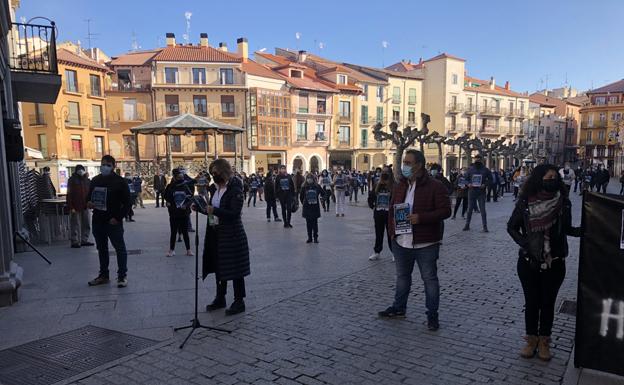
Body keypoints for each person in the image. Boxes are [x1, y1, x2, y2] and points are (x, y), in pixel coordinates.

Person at [507, 164, 581, 361]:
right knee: (532, 303)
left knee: (548, 303)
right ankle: (531, 340)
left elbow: (566, 228)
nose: (552, 180)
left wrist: (587, 228)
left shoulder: (564, 202)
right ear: (539, 179)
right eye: (548, 177)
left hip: (555, 261)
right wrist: (526, 244)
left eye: (554, 177)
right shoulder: (525, 201)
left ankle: (544, 341)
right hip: (528, 261)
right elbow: (512, 227)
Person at [378, 149, 451, 331]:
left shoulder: (435, 186)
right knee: (402, 277)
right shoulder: (400, 185)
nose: (405, 166)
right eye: (404, 162)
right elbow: (392, 209)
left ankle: (432, 315)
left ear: (419, 165)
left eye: (408, 163)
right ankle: (399, 307)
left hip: (425, 242)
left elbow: (445, 211)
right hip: (402, 241)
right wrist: (392, 234)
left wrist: (422, 218)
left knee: (429, 280)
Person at [200, 159, 250, 316]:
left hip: (233, 234)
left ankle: (239, 301)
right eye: (212, 173)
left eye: (215, 172)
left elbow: (234, 214)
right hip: (217, 233)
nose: (213, 175)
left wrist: (213, 210)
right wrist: (201, 208)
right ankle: (220, 297)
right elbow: (212, 210)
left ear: (223, 171)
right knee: (219, 266)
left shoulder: (235, 188)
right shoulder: (215, 189)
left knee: (236, 269)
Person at [87, 155, 131, 288]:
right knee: (102, 249)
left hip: (113, 222)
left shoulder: (120, 182)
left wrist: (117, 218)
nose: (104, 167)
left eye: (107, 164)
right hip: (98, 220)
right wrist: (88, 202)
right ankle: (104, 275)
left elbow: (127, 203)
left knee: (120, 249)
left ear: (113, 166)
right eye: (102, 164)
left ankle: (122, 276)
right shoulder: (95, 180)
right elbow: (88, 197)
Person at [164, 168, 193, 257]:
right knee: (173, 232)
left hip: (184, 213)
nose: (181, 178)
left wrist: (186, 205)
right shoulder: (170, 186)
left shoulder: (185, 186)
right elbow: (166, 196)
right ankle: (171, 250)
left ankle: (188, 250)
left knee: (185, 232)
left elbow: (190, 198)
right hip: (173, 213)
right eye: (179, 177)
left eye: (182, 177)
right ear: (175, 177)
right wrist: (168, 202)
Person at [368, 166, 393, 260]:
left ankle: (393, 252)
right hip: (378, 212)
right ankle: (377, 252)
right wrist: (371, 205)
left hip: (389, 213)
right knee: (378, 233)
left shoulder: (394, 185)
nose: (385, 174)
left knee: (391, 233)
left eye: (387, 173)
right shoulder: (377, 184)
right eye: (384, 172)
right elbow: (371, 196)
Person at [66, 164, 93, 248]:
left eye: (82, 169)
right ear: (76, 171)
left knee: (86, 223)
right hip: (75, 206)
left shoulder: (87, 180)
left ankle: (84, 240)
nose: (81, 171)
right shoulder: (72, 180)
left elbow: (90, 192)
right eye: (79, 169)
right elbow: (69, 194)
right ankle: (75, 241)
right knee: (75, 224)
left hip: (85, 205)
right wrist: (71, 207)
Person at [463, 153, 492, 232]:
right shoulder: (470, 169)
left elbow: (490, 180)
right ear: (474, 159)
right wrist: (468, 184)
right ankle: (467, 225)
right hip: (472, 191)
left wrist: (484, 184)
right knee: (469, 209)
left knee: (483, 210)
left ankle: (485, 227)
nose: (477, 160)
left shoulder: (485, 170)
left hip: (481, 191)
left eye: (479, 159)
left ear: (481, 160)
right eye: (476, 159)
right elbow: (465, 179)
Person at [299, 174, 324, 243]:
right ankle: (309, 237)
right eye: (308, 178)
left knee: (315, 223)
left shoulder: (317, 186)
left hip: (315, 207)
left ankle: (315, 237)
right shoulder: (304, 187)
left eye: (311, 178)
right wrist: (304, 203)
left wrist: (322, 199)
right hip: (307, 207)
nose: (309, 179)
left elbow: (323, 193)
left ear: (313, 179)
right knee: (308, 223)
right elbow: (301, 197)